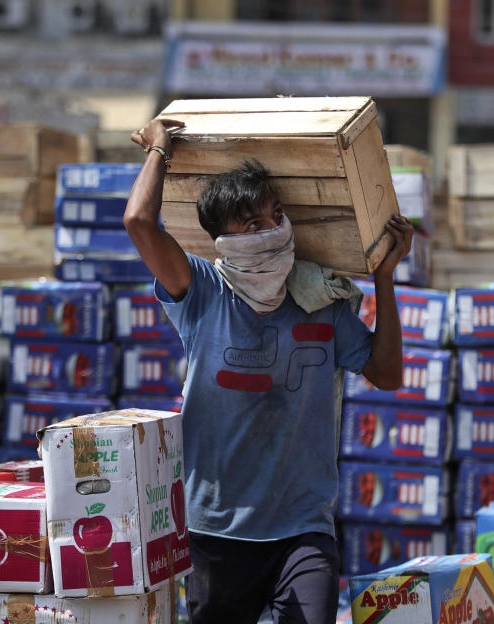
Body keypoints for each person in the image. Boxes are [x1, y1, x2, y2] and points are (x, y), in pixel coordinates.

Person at [124, 117, 414, 624]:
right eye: (253, 225)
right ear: (224, 241)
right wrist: (159, 150)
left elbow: (387, 373)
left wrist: (385, 279)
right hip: (216, 528)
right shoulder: (202, 293)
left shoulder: (319, 301)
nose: (272, 231)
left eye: (277, 216)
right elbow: (139, 224)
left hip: (304, 526)